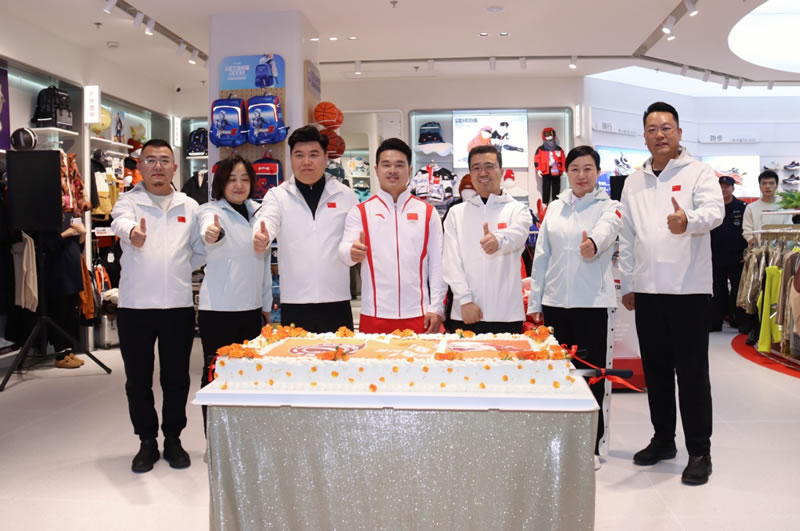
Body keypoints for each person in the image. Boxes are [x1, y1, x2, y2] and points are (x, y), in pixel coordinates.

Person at [619, 102, 724, 486]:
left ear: (679, 133)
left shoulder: (699, 172)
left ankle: (699, 451)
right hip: (648, 290)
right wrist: (628, 282)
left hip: (688, 290)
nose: (660, 135)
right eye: (652, 129)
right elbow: (627, 234)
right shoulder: (634, 181)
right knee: (657, 371)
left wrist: (687, 220)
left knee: (692, 374)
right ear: (644, 137)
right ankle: (663, 439)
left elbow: (714, 212)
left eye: (666, 128)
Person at [111, 139, 205, 473]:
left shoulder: (189, 206)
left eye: (165, 160)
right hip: (135, 306)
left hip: (177, 306)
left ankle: (174, 439)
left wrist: (177, 268)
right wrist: (132, 234)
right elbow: (119, 223)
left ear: (174, 168)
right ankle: (147, 441)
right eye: (150, 160)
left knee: (176, 378)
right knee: (137, 379)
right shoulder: (128, 201)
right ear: (140, 167)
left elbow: (200, 250)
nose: (158, 166)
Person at [527, 145, 623, 465]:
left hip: (593, 305)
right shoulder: (555, 208)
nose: (582, 175)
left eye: (588, 169)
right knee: (558, 376)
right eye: (575, 169)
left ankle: (591, 447)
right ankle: (560, 445)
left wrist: (593, 243)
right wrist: (536, 302)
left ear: (598, 172)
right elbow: (542, 257)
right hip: (555, 305)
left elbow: (607, 232)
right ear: (566, 173)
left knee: (592, 377)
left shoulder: (610, 207)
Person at [253, 125, 358, 332]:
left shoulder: (345, 195)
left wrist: (355, 251)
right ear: (291, 158)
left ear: (325, 158)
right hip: (295, 302)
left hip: (337, 300)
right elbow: (267, 220)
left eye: (314, 155)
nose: (306, 161)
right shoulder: (277, 196)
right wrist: (260, 235)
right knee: (296, 354)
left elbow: (353, 239)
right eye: (299, 155)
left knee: (340, 354)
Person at [338, 138, 446, 334]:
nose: (392, 170)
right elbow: (344, 251)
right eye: (386, 165)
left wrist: (436, 307)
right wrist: (351, 252)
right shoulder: (360, 212)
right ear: (376, 169)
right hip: (374, 315)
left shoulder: (428, 213)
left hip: (419, 314)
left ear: (410, 170)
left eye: (399, 165)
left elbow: (438, 264)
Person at [197, 154, 271, 430]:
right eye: (231, 179)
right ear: (221, 183)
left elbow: (263, 264)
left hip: (251, 310)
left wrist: (266, 304)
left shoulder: (259, 212)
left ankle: (242, 437)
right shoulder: (210, 211)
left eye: (244, 179)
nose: (239, 185)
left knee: (249, 376)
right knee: (216, 374)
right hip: (218, 311)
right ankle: (214, 438)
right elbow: (208, 229)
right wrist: (212, 233)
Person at [442, 145, 532, 334]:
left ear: (501, 170)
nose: (483, 172)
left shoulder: (518, 210)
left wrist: (498, 240)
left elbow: (518, 235)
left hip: (508, 315)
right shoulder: (456, 213)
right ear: (470, 173)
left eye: (489, 166)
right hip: (466, 313)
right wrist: (464, 301)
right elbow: (450, 262)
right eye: (476, 167)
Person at [40, 213, 87, 369]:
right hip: (58, 275)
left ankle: (68, 351)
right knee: (59, 315)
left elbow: (78, 248)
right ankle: (60, 355)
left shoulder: (69, 217)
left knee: (70, 315)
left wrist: (83, 234)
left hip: (72, 272)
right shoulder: (47, 221)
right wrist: (65, 234)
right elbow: (47, 247)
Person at [710, 176, 747, 332]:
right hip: (716, 257)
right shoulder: (711, 207)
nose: (723, 189)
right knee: (717, 290)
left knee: (737, 290)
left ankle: (736, 319)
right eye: (721, 186)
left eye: (727, 186)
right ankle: (715, 322)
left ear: (733, 188)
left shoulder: (742, 207)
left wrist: (745, 254)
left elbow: (747, 231)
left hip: (737, 258)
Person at [742, 170, 792, 245]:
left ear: (776, 185)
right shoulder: (751, 208)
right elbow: (747, 231)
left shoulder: (784, 206)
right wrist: (752, 241)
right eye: (764, 183)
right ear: (760, 186)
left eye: (771, 183)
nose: (768, 186)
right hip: (758, 249)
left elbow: (788, 229)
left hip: (780, 249)